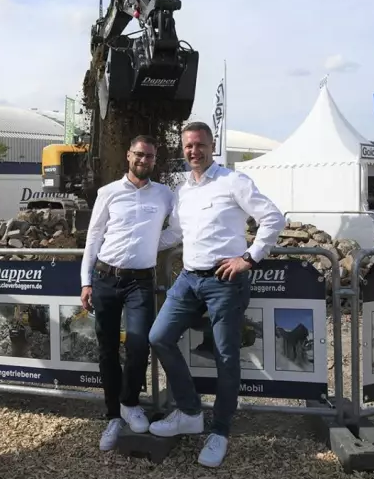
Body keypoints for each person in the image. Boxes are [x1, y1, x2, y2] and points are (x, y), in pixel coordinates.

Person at [149, 121, 286, 468]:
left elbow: (272, 218)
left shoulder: (233, 181)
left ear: (212, 146)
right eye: (188, 146)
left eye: (199, 145)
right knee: (159, 337)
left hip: (225, 281)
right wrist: (137, 246)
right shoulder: (183, 191)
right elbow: (175, 234)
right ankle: (191, 412)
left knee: (226, 356)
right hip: (188, 279)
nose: (193, 151)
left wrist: (249, 258)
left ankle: (220, 430)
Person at [80, 135, 175, 451]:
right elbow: (93, 238)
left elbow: (180, 228)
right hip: (105, 278)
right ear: (128, 155)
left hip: (140, 283)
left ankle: (129, 403)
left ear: (154, 160)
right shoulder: (108, 193)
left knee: (138, 344)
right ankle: (112, 416)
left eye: (149, 156)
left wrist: (153, 245)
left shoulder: (164, 195)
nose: (143, 160)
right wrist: (86, 281)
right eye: (139, 154)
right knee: (107, 350)